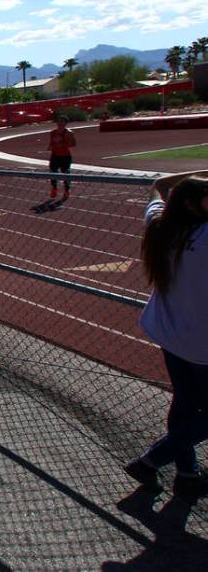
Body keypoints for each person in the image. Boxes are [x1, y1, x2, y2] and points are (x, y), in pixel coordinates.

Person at [125, 169, 208, 500]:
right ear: (191, 204)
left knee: (186, 403)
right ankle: (152, 459)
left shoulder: (161, 227)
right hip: (202, 341)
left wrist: (189, 182)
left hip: (169, 333)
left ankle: (187, 473)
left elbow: (158, 187)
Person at [47, 115, 76, 200]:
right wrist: (50, 147)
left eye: (62, 122)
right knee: (52, 173)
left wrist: (63, 144)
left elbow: (74, 144)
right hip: (55, 155)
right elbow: (51, 142)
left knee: (66, 174)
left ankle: (66, 190)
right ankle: (54, 188)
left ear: (66, 123)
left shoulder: (68, 133)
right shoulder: (52, 132)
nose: (59, 123)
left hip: (65, 156)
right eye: (58, 121)